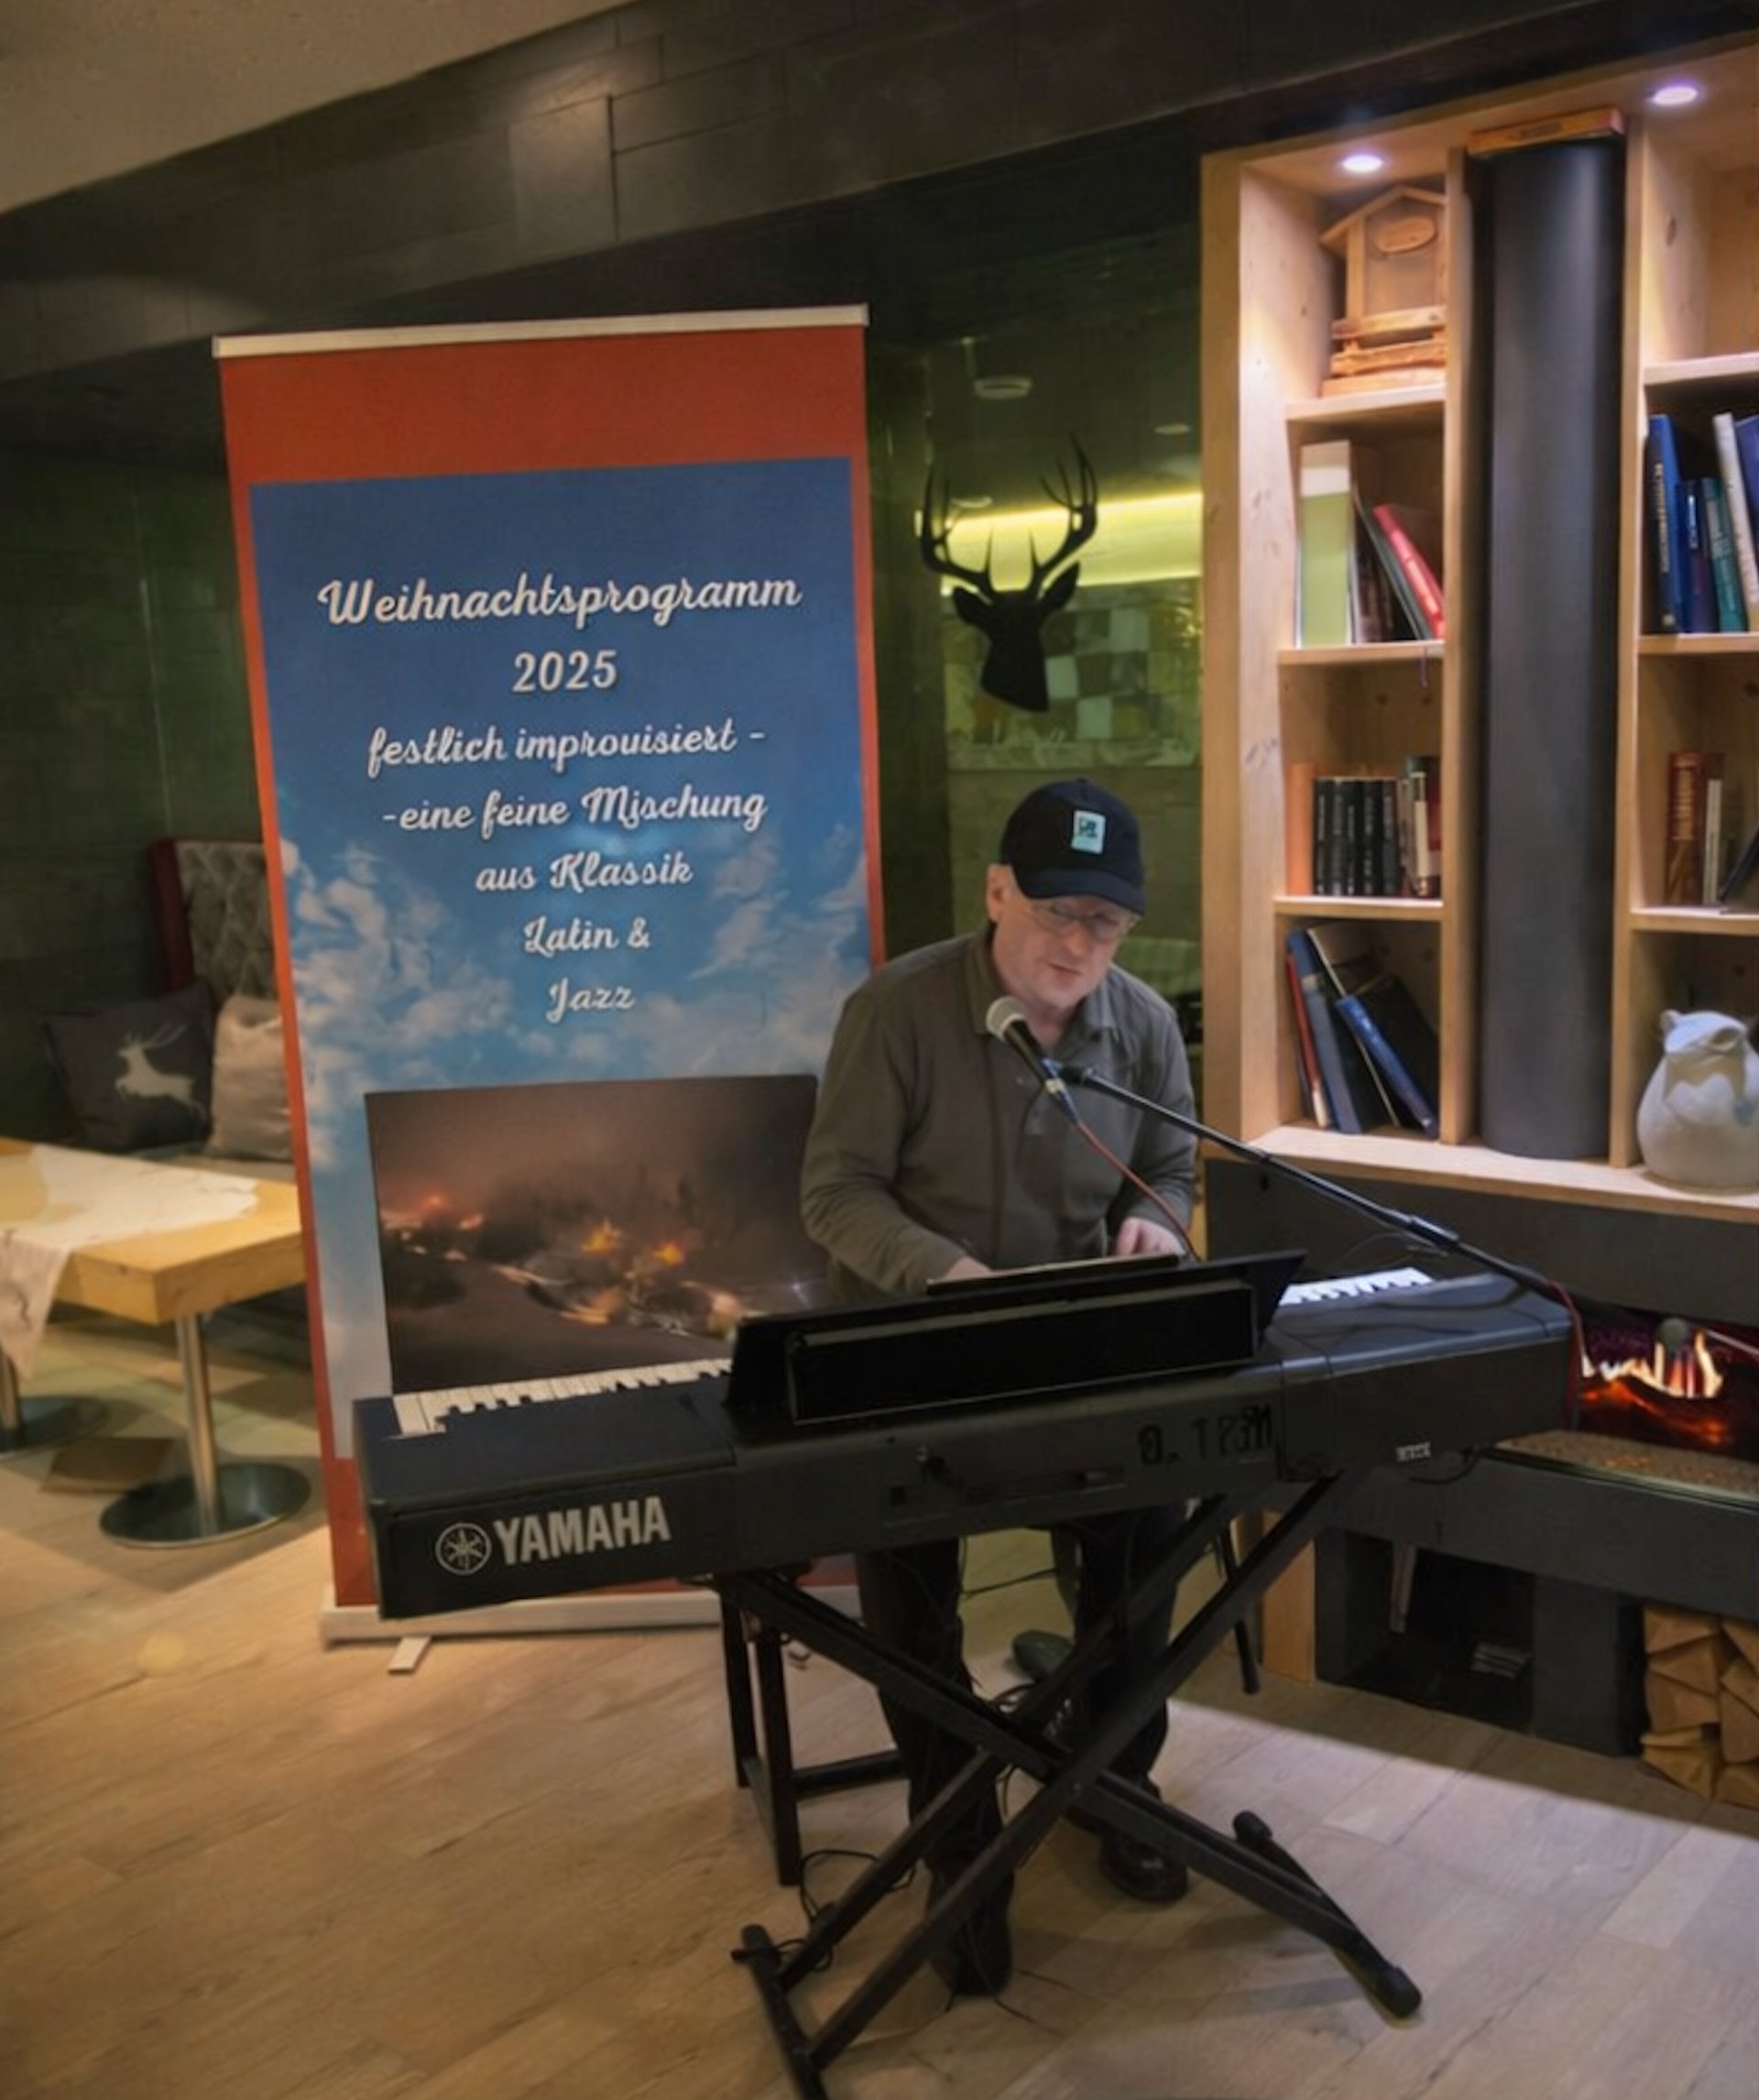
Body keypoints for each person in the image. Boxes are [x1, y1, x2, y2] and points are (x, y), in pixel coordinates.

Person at [799, 776, 1198, 1996]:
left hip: (1070, 1356)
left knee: (1151, 1532)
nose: (1078, 945)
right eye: (1056, 912)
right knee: (911, 1596)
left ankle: (1112, 1780)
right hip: (910, 1350)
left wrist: (1160, 1223)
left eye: (1105, 923)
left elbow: (1173, 1165)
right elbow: (834, 1192)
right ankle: (959, 1834)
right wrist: (949, 1275)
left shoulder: (1143, 1027)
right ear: (996, 892)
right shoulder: (897, 1011)